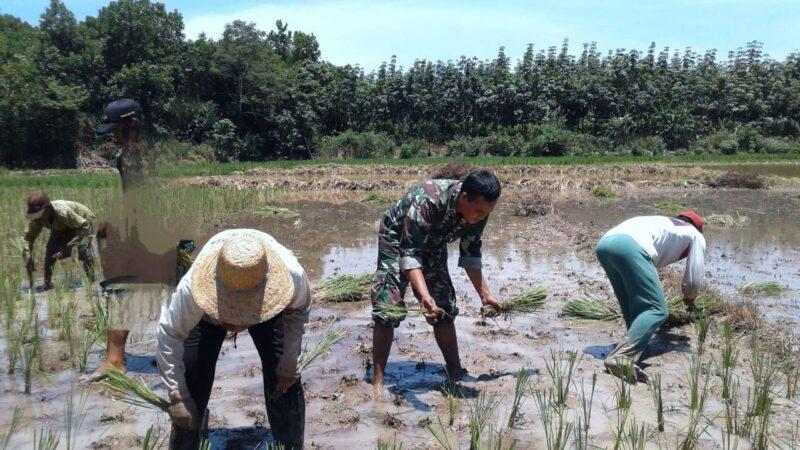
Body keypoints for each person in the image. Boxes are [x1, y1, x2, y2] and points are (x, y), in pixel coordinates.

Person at [157, 229, 311, 450]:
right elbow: (169, 333)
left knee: (284, 379)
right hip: (207, 315)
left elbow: (299, 310)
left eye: (243, 317)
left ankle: (290, 445)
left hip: (266, 308)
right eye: (231, 315)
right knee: (190, 381)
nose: (237, 327)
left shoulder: (290, 275)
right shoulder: (193, 289)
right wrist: (176, 394)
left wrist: (289, 363)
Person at [370, 170, 503, 388]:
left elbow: (470, 254)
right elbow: (409, 252)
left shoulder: (480, 210)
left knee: (444, 305)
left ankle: (455, 371)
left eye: (486, 212)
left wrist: (485, 294)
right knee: (387, 305)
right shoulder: (428, 200)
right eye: (478, 211)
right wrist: (423, 296)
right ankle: (378, 379)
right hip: (398, 238)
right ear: (464, 197)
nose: (481, 216)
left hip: (433, 241)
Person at [87, 98, 186, 380]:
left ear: (133, 124)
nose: (114, 134)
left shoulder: (135, 154)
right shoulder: (141, 151)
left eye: (117, 128)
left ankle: (115, 360)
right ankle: (169, 355)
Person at [596, 211, 706, 382]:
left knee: (632, 303)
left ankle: (635, 343)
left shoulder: (663, 222)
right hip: (631, 246)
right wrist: (690, 298)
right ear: (698, 228)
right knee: (657, 310)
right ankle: (621, 357)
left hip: (605, 244)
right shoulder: (695, 235)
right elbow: (694, 275)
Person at [21, 190, 96, 289]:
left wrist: (67, 247)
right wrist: (27, 253)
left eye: (39, 214)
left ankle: (92, 283)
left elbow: (84, 225)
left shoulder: (63, 212)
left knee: (84, 252)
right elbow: (28, 238)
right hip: (60, 226)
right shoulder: (37, 219)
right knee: (50, 253)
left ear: (47, 209)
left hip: (81, 222)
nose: (37, 218)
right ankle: (47, 285)